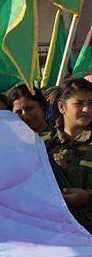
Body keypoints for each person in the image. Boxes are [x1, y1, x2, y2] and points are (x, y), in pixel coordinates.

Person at [43, 78, 92, 232]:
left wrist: (87, 196)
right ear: (61, 107)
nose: (86, 109)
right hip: (51, 228)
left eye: (91, 103)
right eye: (79, 103)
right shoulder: (41, 144)